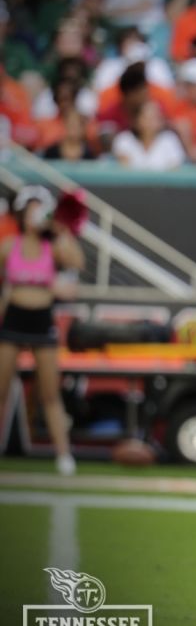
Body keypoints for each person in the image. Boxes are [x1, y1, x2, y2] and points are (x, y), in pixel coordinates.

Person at [0, 186, 84, 476]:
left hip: (41, 320)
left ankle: (63, 455)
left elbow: (77, 261)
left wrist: (59, 229)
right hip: (13, 319)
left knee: (49, 393)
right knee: (1, 390)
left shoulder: (54, 246)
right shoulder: (10, 246)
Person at [111, 99, 185, 170]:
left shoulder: (170, 140)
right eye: (146, 117)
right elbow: (125, 169)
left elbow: (174, 169)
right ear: (137, 120)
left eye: (155, 117)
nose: (150, 122)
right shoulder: (124, 139)